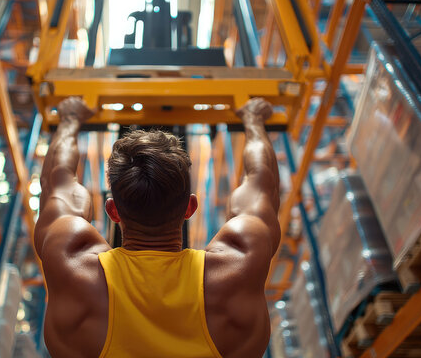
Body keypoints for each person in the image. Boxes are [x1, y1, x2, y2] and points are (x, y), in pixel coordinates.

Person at [35, 97, 280, 357]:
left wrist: (70, 118)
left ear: (112, 211)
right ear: (191, 207)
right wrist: (253, 119)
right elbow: (262, 182)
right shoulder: (240, 262)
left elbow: (57, 181)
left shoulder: (70, 260)